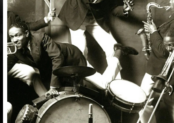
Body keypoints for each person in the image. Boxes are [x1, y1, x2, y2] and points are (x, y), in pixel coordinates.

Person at [8, 22, 136, 96]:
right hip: (54, 71)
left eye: (17, 35)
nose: (14, 40)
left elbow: (57, 58)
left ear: (26, 33)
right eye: (12, 37)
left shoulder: (40, 37)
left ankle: (118, 52)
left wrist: (53, 87)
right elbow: (7, 64)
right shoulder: (14, 48)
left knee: (103, 85)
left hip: (71, 59)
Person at [56, 0, 133, 74]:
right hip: (77, 16)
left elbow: (113, 9)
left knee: (113, 48)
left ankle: (113, 84)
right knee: (81, 52)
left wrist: (124, 9)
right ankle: (83, 83)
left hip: (95, 19)